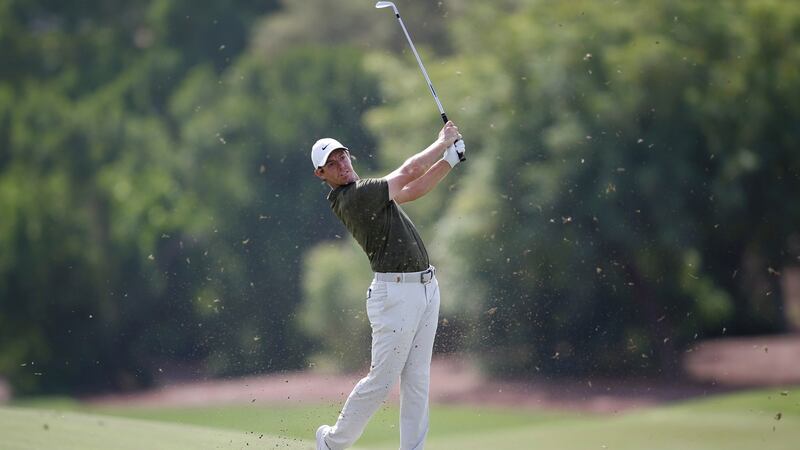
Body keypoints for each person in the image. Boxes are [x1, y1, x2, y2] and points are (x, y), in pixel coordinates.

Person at [311, 122, 466, 450]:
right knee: (381, 381)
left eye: (343, 157)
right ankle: (332, 443)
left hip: (425, 288)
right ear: (321, 174)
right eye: (333, 165)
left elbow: (412, 189)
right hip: (395, 295)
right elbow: (410, 170)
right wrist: (442, 142)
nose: (342, 166)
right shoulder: (352, 197)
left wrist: (448, 160)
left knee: (417, 380)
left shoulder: (369, 191)